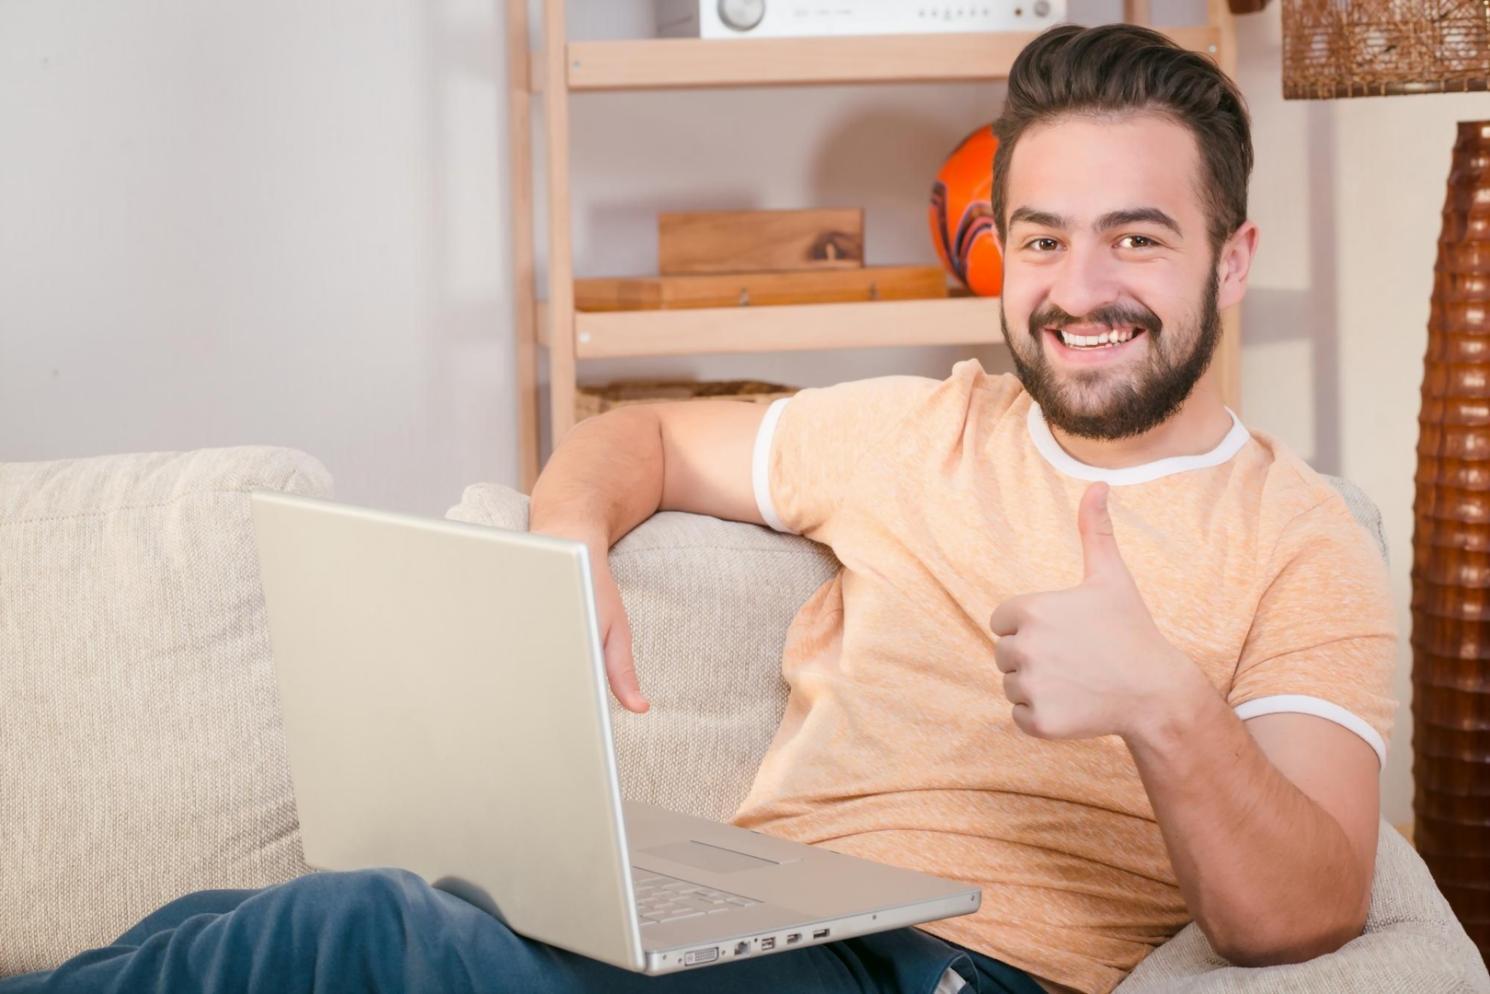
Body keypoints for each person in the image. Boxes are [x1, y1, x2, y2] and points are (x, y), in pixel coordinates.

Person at [1, 20, 1395, 994]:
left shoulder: (1301, 538)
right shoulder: (919, 428)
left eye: (1135, 238)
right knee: (242, 929)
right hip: (755, 928)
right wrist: (566, 536)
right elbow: (650, 438)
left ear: (1230, 262)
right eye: (1040, 238)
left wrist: (1161, 699)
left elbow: (1304, 909)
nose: (1078, 286)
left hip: (964, 970)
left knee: (369, 937)